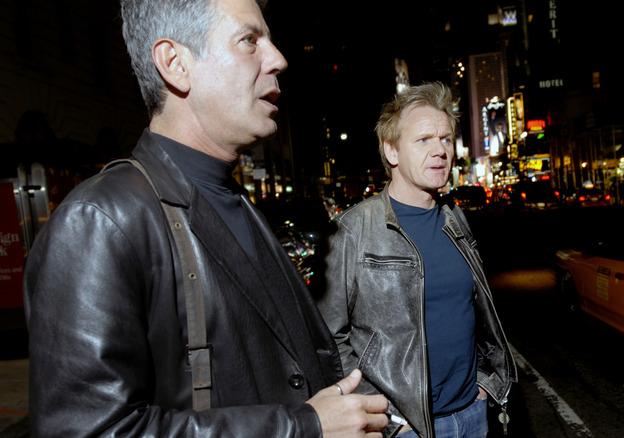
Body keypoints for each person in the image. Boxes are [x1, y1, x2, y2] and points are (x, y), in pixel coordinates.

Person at [22, 0, 388, 436]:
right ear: (175, 64)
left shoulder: (233, 200)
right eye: (250, 40)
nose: (278, 58)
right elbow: (87, 430)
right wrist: (301, 427)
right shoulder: (100, 220)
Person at [317, 82, 518, 438]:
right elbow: (328, 337)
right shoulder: (355, 229)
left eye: (444, 139)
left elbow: (478, 313)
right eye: (423, 140)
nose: (440, 150)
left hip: (472, 413)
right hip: (404, 428)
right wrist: (381, 414)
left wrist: (485, 382)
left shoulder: (455, 218)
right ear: (391, 151)